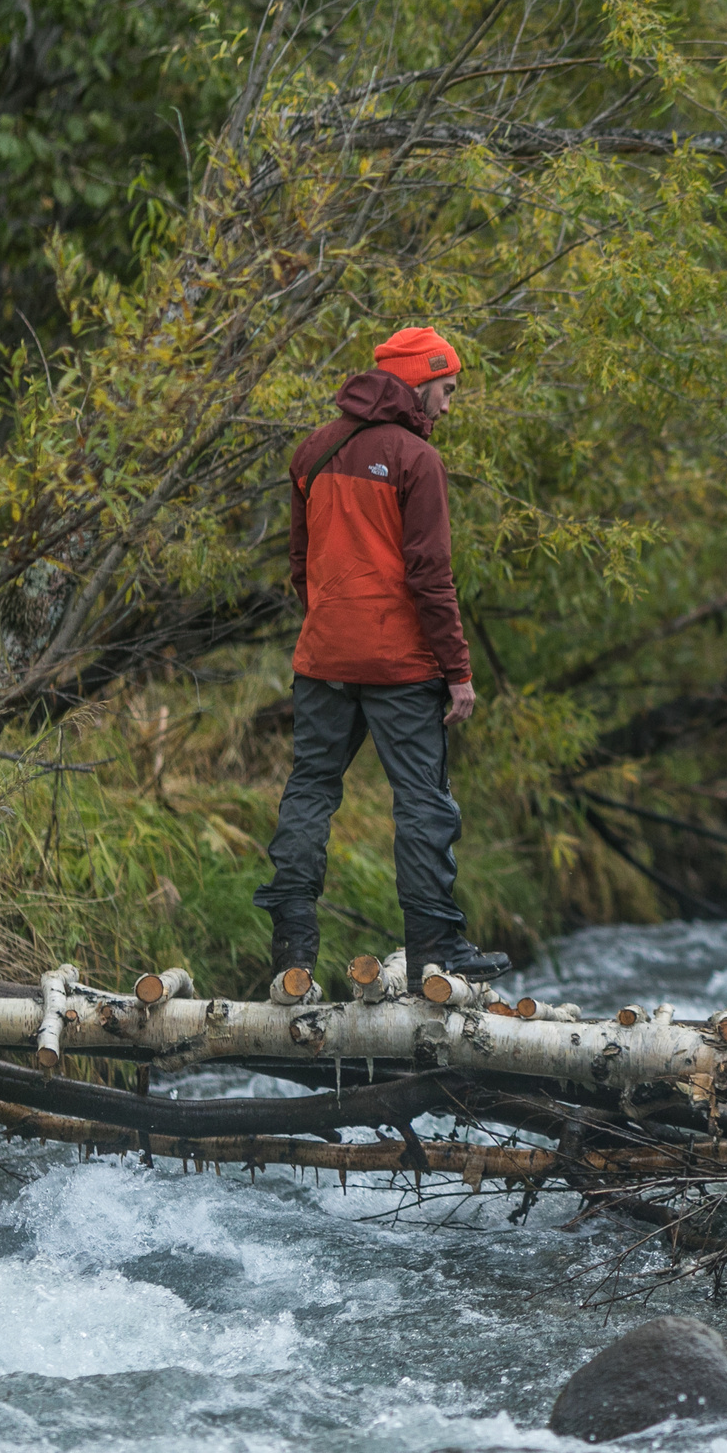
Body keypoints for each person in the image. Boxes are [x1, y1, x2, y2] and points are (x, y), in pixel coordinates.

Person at [253, 326, 509, 987]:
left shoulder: (314, 448)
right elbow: (430, 575)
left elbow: (299, 564)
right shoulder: (416, 459)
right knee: (423, 802)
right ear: (419, 379)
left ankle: (292, 950)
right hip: (401, 665)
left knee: (310, 789)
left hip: (323, 657)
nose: (448, 406)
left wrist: (334, 625)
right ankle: (435, 953)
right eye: (446, 390)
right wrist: (458, 671)